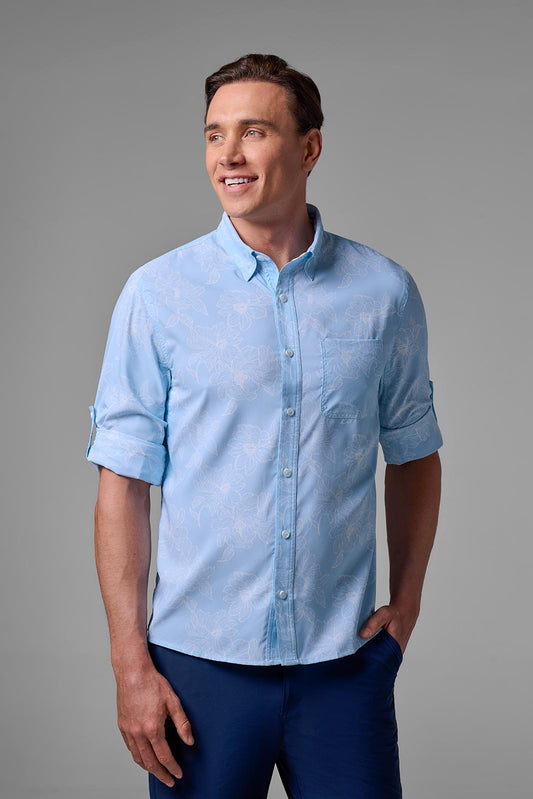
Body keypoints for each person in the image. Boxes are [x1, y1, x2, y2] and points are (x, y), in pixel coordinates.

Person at [86, 53, 443, 799]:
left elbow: (414, 452)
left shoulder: (383, 293)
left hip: (343, 666)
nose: (229, 154)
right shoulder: (157, 294)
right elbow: (122, 483)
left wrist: (405, 606)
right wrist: (129, 663)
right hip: (196, 672)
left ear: (309, 148)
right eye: (215, 134)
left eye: (254, 132)